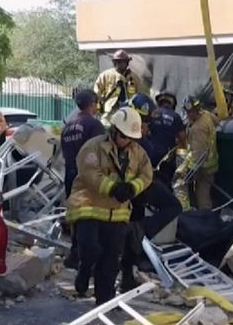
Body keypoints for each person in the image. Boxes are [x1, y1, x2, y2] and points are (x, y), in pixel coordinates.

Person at [66, 108, 152, 305]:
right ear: (114, 130)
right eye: (123, 136)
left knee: (111, 260)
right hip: (88, 206)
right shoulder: (93, 147)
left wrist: (133, 187)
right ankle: (84, 270)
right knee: (90, 249)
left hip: (117, 213)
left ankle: (104, 302)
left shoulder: (138, 153)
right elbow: (90, 174)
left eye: (131, 138)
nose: (126, 141)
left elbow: (147, 175)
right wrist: (113, 188)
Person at [119, 95, 183, 292]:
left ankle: (126, 278)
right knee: (173, 206)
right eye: (146, 123)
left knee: (127, 235)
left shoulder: (118, 134)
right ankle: (143, 231)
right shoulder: (141, 142)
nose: (149, 127)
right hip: (138, 188)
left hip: (125, 191)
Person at [60, 90, 105, 270]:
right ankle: (87, 259)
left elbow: (65, 153)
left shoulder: (68, 126)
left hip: (70, 174)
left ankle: (74, 253)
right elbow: (101, 152)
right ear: (92, 104)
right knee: (90, 217)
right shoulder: (94, 125)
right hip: (87, 176)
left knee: (75, 216)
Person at [177, 96, 218, 210]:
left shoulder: (197, 129)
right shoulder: (206, 115)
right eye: (188, 112)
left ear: (195, 110)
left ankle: (204, 216)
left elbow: (198, 154)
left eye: (190, 112)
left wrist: (188, 172)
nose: (189, 115)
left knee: (202, 196)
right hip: (211, 164)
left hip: (203, 168)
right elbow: (217, 122)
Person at [93, 49, 145, 125]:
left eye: (123, 61)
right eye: (118, 61)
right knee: (106, 128)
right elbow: (96, 92)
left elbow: (140, 95)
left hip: (128, 112)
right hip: (111, 111)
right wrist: (99, 107)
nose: (121, 64)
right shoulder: (106, 75)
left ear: (127, 62)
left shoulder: (134, 77)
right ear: (114, 62)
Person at [150, 91, 187, 184]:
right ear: (173, 104)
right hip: (167, 157)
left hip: (150, 153)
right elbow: (182, 139)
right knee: (165, 182)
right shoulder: (176, 117)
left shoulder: (152, 113)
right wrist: (183, 157)